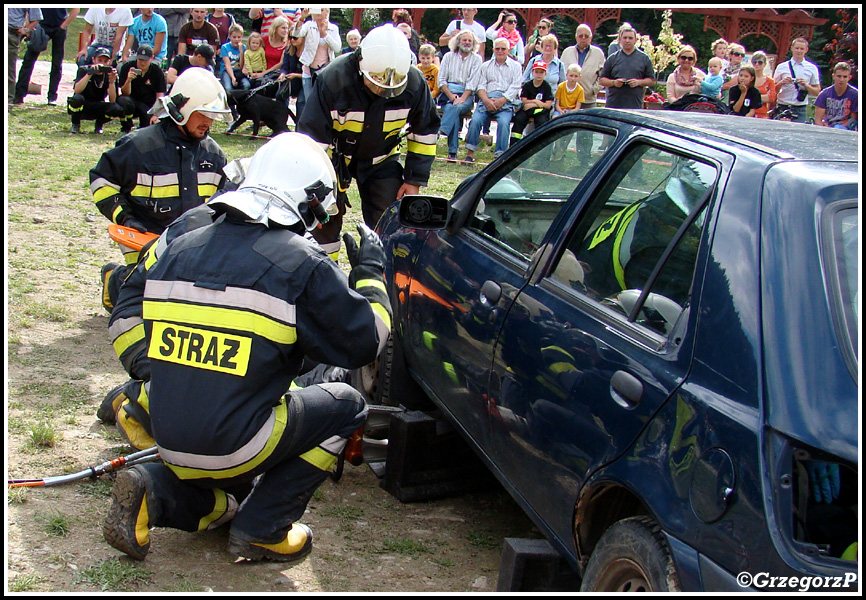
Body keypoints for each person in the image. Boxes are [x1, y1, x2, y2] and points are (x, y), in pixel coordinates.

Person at [101, 132, 390, 563]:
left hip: (169, 435)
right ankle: (265, 530)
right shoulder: (300, 263)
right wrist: (370, 271)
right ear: (309, 200)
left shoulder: (179, 247)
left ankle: (153, 492)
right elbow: (366, 340)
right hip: (236, 443)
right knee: (345, 404)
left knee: (231, 494)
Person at [92, 67, 230, 311]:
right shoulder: (138, 146)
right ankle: (115, 281)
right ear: (182, 110)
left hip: (191, 241)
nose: (209, 121)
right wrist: (125, 218)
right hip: (145, 237)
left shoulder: (213, 154)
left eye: (213, 115)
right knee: (145, 298)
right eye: (203, 113)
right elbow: (102, 181)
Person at [298, 24, 440, 259]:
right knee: (324, 221)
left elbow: (425, 131)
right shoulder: (333, 79)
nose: (383, 91)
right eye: (375, 82)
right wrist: (317, 186)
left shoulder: (414, 83)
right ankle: (322, 274)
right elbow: (312, 138)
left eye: (393, 87)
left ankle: (381, 280)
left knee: (391, 223)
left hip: (382, 158)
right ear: (361, 64)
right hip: (334, 158)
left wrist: (414, 180)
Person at [463, 37, 523, 162]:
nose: (500, 51)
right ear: (493, 49)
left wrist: (502, 100)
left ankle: (499, 155)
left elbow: (515, 87)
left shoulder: (516, 67)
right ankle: (470, 153)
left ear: (509, 50)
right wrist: (486, 100)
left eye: (503, 49)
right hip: (486, 100)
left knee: (504, 123)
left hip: (505, 103)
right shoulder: (485, 66)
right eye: (497, 48)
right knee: (475, 121)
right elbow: (480, 86)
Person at [12, 8, 79, 106]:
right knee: (28, 61)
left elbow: (76, 9)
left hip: (60, 25)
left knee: (57, 64)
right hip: (41, 25)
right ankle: (19, 95)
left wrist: (63, 26)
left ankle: (52, 96)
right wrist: (29, 26)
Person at [438, 30, 483, 162]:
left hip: (466, 94)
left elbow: (473, 82)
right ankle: (452, 153)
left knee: (455, 109)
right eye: (464, 40)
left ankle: (442, 131)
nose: (467, 43)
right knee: (454, 114)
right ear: (458, 42)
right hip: (448, 93)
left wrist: (462, 98)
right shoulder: (448, 56)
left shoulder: (477, 59)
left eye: (470, 40)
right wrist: (452, 97)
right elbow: (441, 80)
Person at [292, 8, 340, 120]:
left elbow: (337, 48)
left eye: (322, 9)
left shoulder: (333, 28)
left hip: (325, 71)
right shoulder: (309, 25)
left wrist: (325, 34)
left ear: (327, 12)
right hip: (309, 69)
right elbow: (296, 33)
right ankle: (310, 125)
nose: (319, 12)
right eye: (317, 9)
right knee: (309, 101)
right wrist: (302, 18)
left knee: (323, 100)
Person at [67, 47, 126, 134]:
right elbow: (77, 90)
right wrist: (89, 74)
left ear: (109, 62)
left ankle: (99, 125)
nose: (102, 64)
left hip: (97, 105)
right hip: (83, 104)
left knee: (116, 108)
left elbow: (112, 100)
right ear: (93, 60)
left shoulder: (110, 74)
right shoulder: (84, 70)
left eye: (105, 61)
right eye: (99, 60)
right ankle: (75, 124)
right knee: (77, 99)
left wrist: (112, 82)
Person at [598, 24, 655, 109]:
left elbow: (652, 80)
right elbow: (602, 80)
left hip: (634, 105)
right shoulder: (612, 58)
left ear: (635, 40)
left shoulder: (644, 58)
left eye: (630, 38)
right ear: (620, 39)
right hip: (614, 105)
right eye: (624, 38)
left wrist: (638, 82)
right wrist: (614, 83)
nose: (627, 40)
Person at [117, 44, 166, 134]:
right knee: (123, 101)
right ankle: (126, 125)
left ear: (151, 58)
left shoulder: (156, 71)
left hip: (148, 105)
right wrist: (129, 80)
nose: (142, 63)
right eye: (140, 60)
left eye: (145, 60)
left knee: (147, 128)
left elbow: (160, 95)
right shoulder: (127, 67)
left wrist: (156, 114)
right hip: (132, 101)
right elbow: (124, 93)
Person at [773, 37, 821, 123]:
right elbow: (772, 90)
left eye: (801, 48)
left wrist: (806, 85)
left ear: (806, 50)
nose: (799, 51)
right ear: (792, 48)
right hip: (783, 106)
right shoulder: (781, 67)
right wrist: (782, 83)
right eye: (797, 48)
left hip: (800, 108)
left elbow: (817, 92)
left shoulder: (812, 68)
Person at [559, 24, 605, 109]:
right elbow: (561, 72)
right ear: (576, 37)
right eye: (580, 36)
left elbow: (603, 75)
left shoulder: (598, 53)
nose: (583, 38)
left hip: (588, 99)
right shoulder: (567, 52)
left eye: (586, 36)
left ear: (591, 37)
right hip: (568, 100)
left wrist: (593, 90)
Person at [510, 60, 553, 147]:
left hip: (541, 112)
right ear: (532, 72)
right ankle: (513, 146)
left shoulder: (547, 87)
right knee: (519, 119)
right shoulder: (527, 85)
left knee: (542, 123)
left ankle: (540, 147)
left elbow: (548, 105)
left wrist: (534, 103)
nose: (539, 74)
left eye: (541, 72)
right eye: (536, 72)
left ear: (545, 74)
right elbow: (524, 100)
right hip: (527, 110)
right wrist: (535, 102)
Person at [7, 8, 42, 108]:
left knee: (9, 69)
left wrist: (26, 29)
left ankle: (8, 102)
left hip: (11, 33)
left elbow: (37, 17)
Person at [814, 62, 858, 129]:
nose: (841, 80)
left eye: (845, 77)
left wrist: (839, 128)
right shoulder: (824, 94)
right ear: (833, 76)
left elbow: (853, 120)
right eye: (839, 76)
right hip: (827, 128)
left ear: (849, 77)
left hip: (846, 129)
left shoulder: (855, 95)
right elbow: (818, 120)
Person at [219, 24, 250, 91]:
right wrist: (233, 78)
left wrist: (241, 52)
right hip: (227, 71)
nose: (236, 39)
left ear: (242, 36)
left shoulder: (244, 48)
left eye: (239, 37)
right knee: (228, 88)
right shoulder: (225, 47)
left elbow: (242, 66)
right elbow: (227, 64)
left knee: (247, 85)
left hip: (238, 70)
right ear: (229, 36)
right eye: (234, 37)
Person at [750, 51, 775, 119]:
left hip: (762, 114)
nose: (757, 64)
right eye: (755, 62)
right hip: (747, 112)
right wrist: (763, 97)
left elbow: (772, 97)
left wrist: (752, 97)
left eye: (760, 62)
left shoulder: (770, 81)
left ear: (765, 64)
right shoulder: (748, 78)